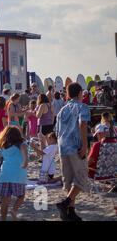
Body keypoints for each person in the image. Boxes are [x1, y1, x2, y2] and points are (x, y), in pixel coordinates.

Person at [54, 82, 90, 221]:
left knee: (69, 180)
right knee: (80, 178)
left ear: (68, 94)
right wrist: (85, 145)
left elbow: (57, 131)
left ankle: (70, 212)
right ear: (80, 93)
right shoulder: (83, 106)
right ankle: (65, 204)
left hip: (63, 146)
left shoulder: (63, 109)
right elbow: (83, 124)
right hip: (75, 146)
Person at [88, 112, 116, 179]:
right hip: (113, 174)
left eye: (97, 135)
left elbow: (89, 162)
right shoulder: (115, 144)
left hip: (97, 175)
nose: (97, 137)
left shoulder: (98, 145)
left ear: (99, 134)